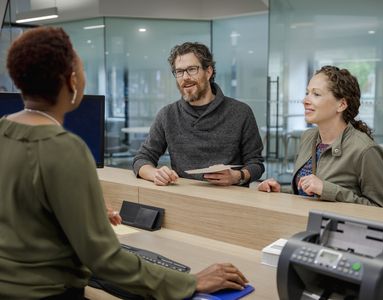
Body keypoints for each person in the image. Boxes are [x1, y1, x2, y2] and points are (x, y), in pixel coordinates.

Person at [0, 27, 248, 299]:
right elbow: (105, 260)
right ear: (72, 81)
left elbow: (23, 213)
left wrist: (85, 215)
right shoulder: (64, 149)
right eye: (82, 70)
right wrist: (189, 282)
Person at [258, 66, 383, 208]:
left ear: (341, 104)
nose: (305, 100)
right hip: (302, 224)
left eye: (316, 94)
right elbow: (310, 193)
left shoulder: (366, 150)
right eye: (307, 93)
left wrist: (327, 189)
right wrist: (280, 191)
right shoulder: (308, 137)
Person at [132, 42, 264, 186]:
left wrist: (238, 176)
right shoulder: (167, 115)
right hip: (185, 198)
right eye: (179, 71)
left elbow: (256, 163)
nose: (185, 77)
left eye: (192, 69)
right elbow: (142, 159)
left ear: (208, 72)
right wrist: (156, 174)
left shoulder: (241, 112)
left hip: (230, 199)